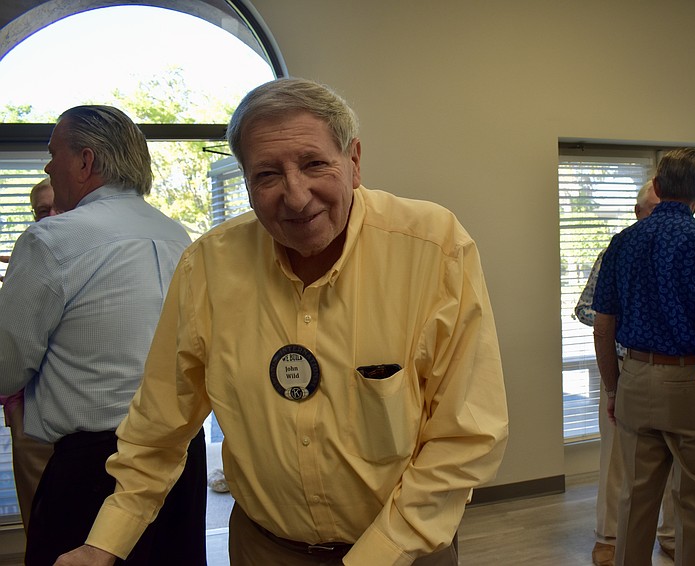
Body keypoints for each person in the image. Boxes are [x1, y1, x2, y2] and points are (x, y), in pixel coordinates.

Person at [55, 77, 509, 566]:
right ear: (246, 182)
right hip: (263, 549)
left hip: (403, 551)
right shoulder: (207, 267)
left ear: (354, 161)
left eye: (314, 164)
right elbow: (159, 423)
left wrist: (376, 556)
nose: (296, 196)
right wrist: (103, 544)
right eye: (268, 174)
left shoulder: (435, 248)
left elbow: (466, 435)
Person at [0, 105, 206, 566]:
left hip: (96, 468)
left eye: (53, 153)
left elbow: (6, 368)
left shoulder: (51, 240)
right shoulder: (179, 236)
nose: (47, 167)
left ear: (85, 161)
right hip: (181, 459)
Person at [592, 148, 695, 566]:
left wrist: (612, 388)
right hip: (692, 384)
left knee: (635, 498)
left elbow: (603, 325)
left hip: (635, 378)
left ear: (657, 185)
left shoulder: (622, 243)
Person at [575, 180, 675, 566]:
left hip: (678, 372)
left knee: (676, 461)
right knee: (617, 460)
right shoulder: (617, 251)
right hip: (622, 368)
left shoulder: (686, 249)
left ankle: (670, 534)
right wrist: (624, 321)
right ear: (637, 212)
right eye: (654, 209)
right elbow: (585, 309)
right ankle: (609, 537)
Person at [0, 178, 59, 533]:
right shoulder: (31, 254)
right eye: (41, 211)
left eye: (56, 207)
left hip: (84, 421)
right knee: (41, 524)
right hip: (30, 413)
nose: (50, 217)